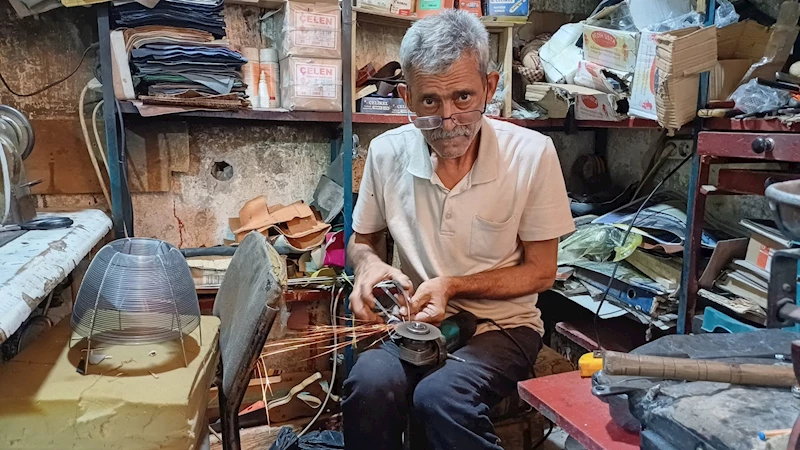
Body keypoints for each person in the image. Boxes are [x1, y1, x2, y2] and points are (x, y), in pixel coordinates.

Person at [342, 9, 575, 450]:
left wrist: (452, 285)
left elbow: (542, 271)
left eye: (464, 98)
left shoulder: (532, 154)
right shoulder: (386, 153)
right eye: (430, 101)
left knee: (441, 397)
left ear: (489, 87)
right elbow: (363, 239)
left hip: (503, 327)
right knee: (368, 386)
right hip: (414, 324)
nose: (448, 119)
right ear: (407, 98)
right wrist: (369, 268)